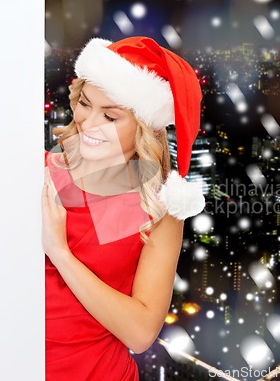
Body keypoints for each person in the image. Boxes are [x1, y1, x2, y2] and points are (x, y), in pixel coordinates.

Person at [42, 36, 205, 380]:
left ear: (144, 126)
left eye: (111, 116)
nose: (88, 123)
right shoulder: (38, 172)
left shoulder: (157, 207)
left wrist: (60, 253)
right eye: (85, 104)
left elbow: (140, 333)